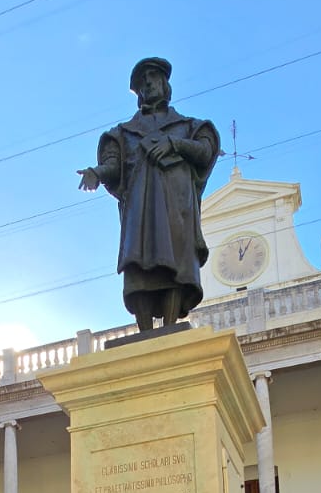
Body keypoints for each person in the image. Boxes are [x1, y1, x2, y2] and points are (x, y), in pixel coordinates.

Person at [78, 57, 221, 332]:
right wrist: (96, 172)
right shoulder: (123, 133)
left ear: (165, 85)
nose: (148, 85)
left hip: (175, 206)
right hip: (139, 210)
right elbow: (113, 165)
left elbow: (205, 151)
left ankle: (169, 326)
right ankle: (144, 332)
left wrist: (174, 144)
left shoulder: (189, 126)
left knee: (175, 264)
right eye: (142, 83)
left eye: (153, 78)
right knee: (138, 266)